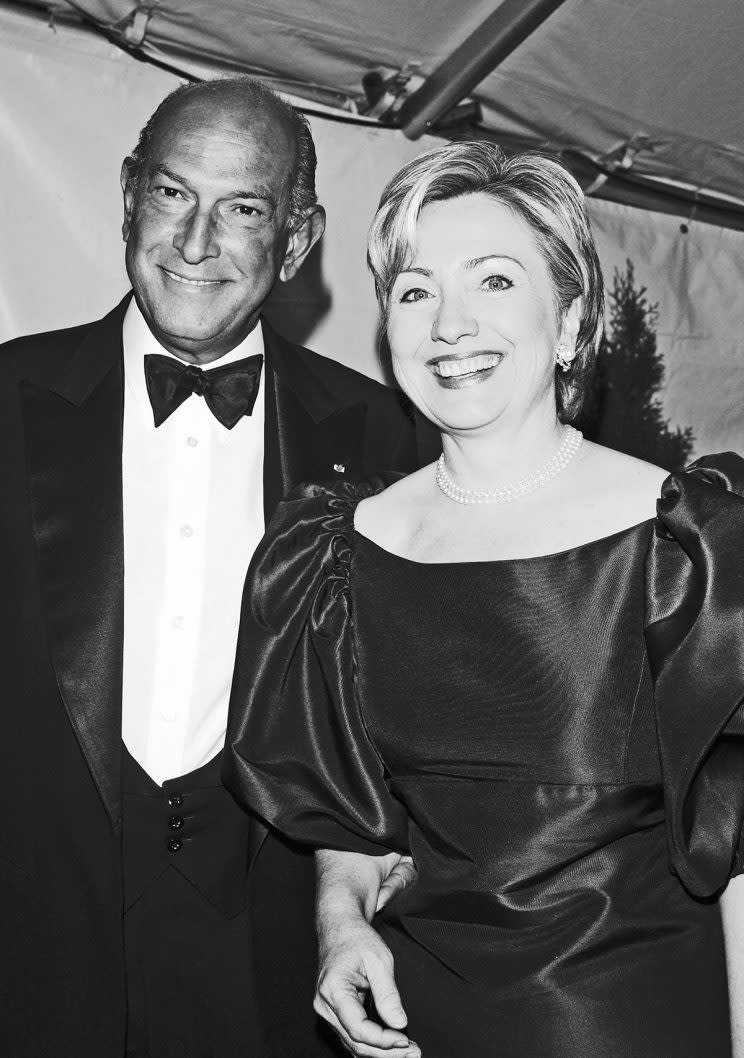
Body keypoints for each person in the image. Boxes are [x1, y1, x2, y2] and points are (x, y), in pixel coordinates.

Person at [226, 140, 744, 1057]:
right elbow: (350, 808)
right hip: (416, 1018)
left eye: (495, 282)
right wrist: (340, 923)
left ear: (572, 321)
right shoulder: (334, 553)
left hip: (625, 1018)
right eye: (417, 292)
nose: (450, 325)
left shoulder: (690, 540)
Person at [0, 76, 436, 1058]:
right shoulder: (6, 399)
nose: (195, 242)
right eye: (170, 193)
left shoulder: (382, 447)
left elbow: (401, 734)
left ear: (296, 238)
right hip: (27, 971)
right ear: (127, 195)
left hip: (271, 982)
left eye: (241, 208)